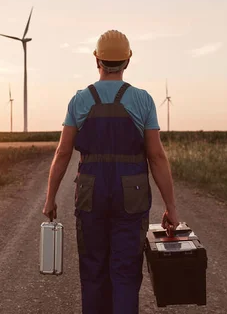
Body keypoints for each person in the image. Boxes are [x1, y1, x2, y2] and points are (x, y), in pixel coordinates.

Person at [42, 30, 179, 314]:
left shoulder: (79, 100)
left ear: (97, 61)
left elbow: (63, 152)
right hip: (132, 193)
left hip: (91, 191)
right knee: (126, 274)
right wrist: (171, 207)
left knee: (93, 273)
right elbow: (155, 155)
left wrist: (50, 197)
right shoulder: (143, 100)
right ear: (128, 61)